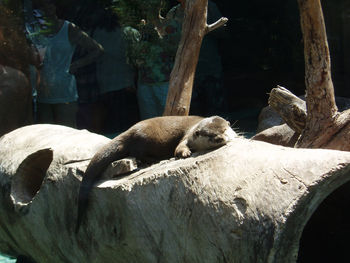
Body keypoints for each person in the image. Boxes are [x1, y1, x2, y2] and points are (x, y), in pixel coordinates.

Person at [25, 0, 103, 128]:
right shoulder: (34, 31)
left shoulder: (68, 28)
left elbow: (97, 50)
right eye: (42, 6)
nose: (46, 8)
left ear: (56, 6)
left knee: (67, 133)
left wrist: (76, 65)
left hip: (65, 92)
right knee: (45, 137)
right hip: (41, 93)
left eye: (50, 3)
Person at [92, 12, 139, 134]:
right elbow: (138, 59)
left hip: (105, 86)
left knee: (111, 123)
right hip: (126, 84)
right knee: (127, 125)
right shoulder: (129, 32)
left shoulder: (98, 32)